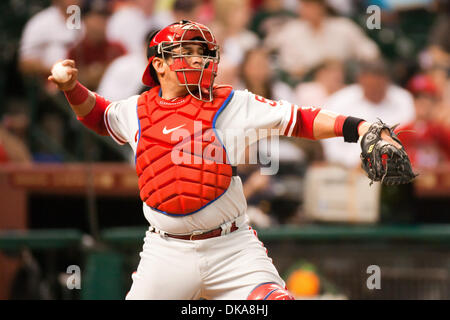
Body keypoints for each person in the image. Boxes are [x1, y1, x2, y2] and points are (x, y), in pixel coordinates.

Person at [48, 20, 405, 300]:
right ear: (159, 64)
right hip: (166, 251)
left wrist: (359, 128)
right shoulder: (136, 109)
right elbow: (98, 116)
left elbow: (302, 119)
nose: (199, 59)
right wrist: (71, 88)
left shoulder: (232, 102)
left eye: (203, 51)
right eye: (186, 51)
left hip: (231, 247)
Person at [321, 59, 415, 168]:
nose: (374, 89)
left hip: (395, 167)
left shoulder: (404, 100)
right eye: (370, 85)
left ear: (387, 81)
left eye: (378, 84)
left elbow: (410, 137)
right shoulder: (339, 101)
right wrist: (356, 163)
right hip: (348, 168)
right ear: (360, 80)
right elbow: (330, 144)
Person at [264, 0, 379, 81]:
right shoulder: (291, 30)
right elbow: (273, 52)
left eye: (310, 6)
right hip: (307, 83)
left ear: (321, 7)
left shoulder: (343, 27)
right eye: (303, 6)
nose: (305, 10)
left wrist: (349, 65)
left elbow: (370, 51)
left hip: (344, 80)